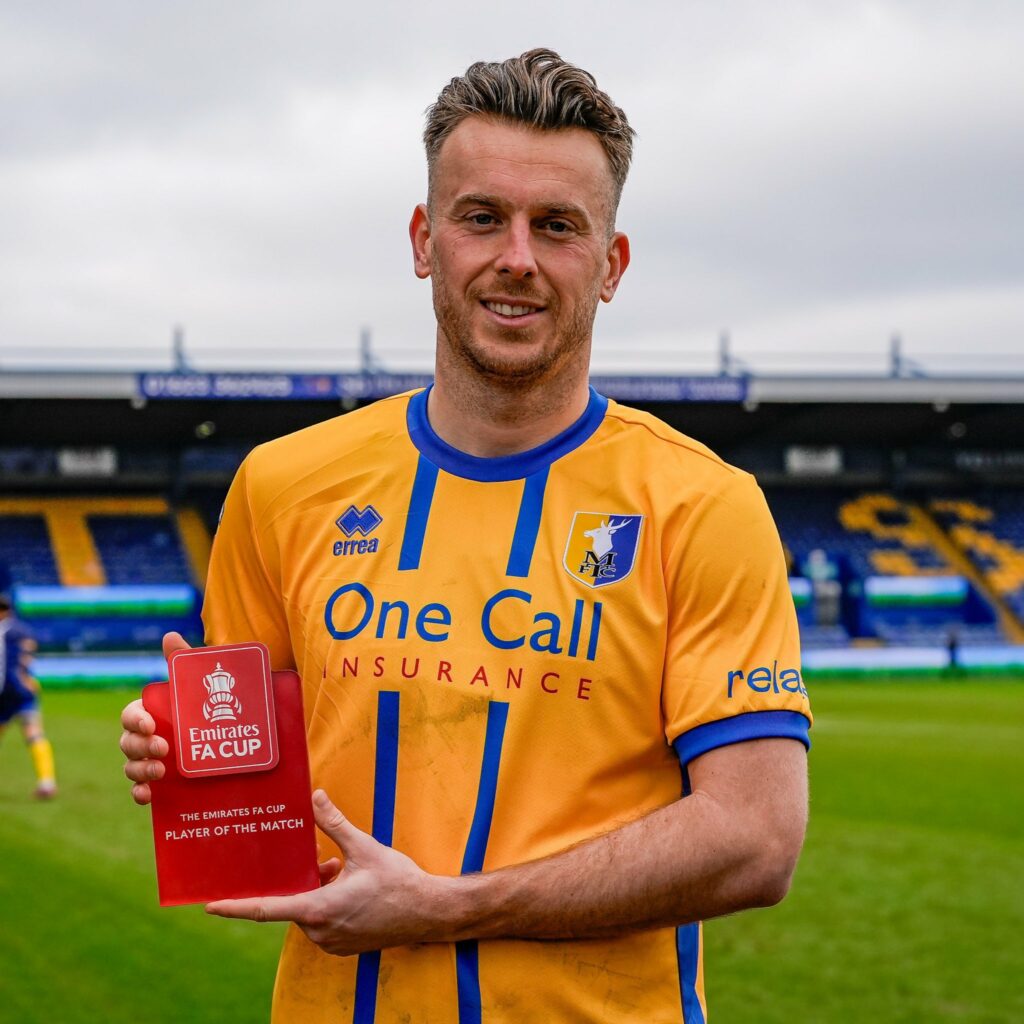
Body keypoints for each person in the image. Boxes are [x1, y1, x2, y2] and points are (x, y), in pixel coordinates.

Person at [121, 49, 811, 1023]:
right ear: (423, 238)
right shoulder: (281, 486)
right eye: (481, 216)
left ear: (610, 263)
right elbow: (248, 776)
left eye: (557, 227)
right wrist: (182, 760)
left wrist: (446, 908)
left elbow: (755, 837)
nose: (516, 258)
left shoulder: (703, 504)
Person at [0, 593, 58, 799]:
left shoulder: (6, 630)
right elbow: (27, 654)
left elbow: (10, 664)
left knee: (32, 733)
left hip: (8, 693)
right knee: (34, 734)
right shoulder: (21, 629)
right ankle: (47, 782)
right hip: (24, 691)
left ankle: (47, 783)